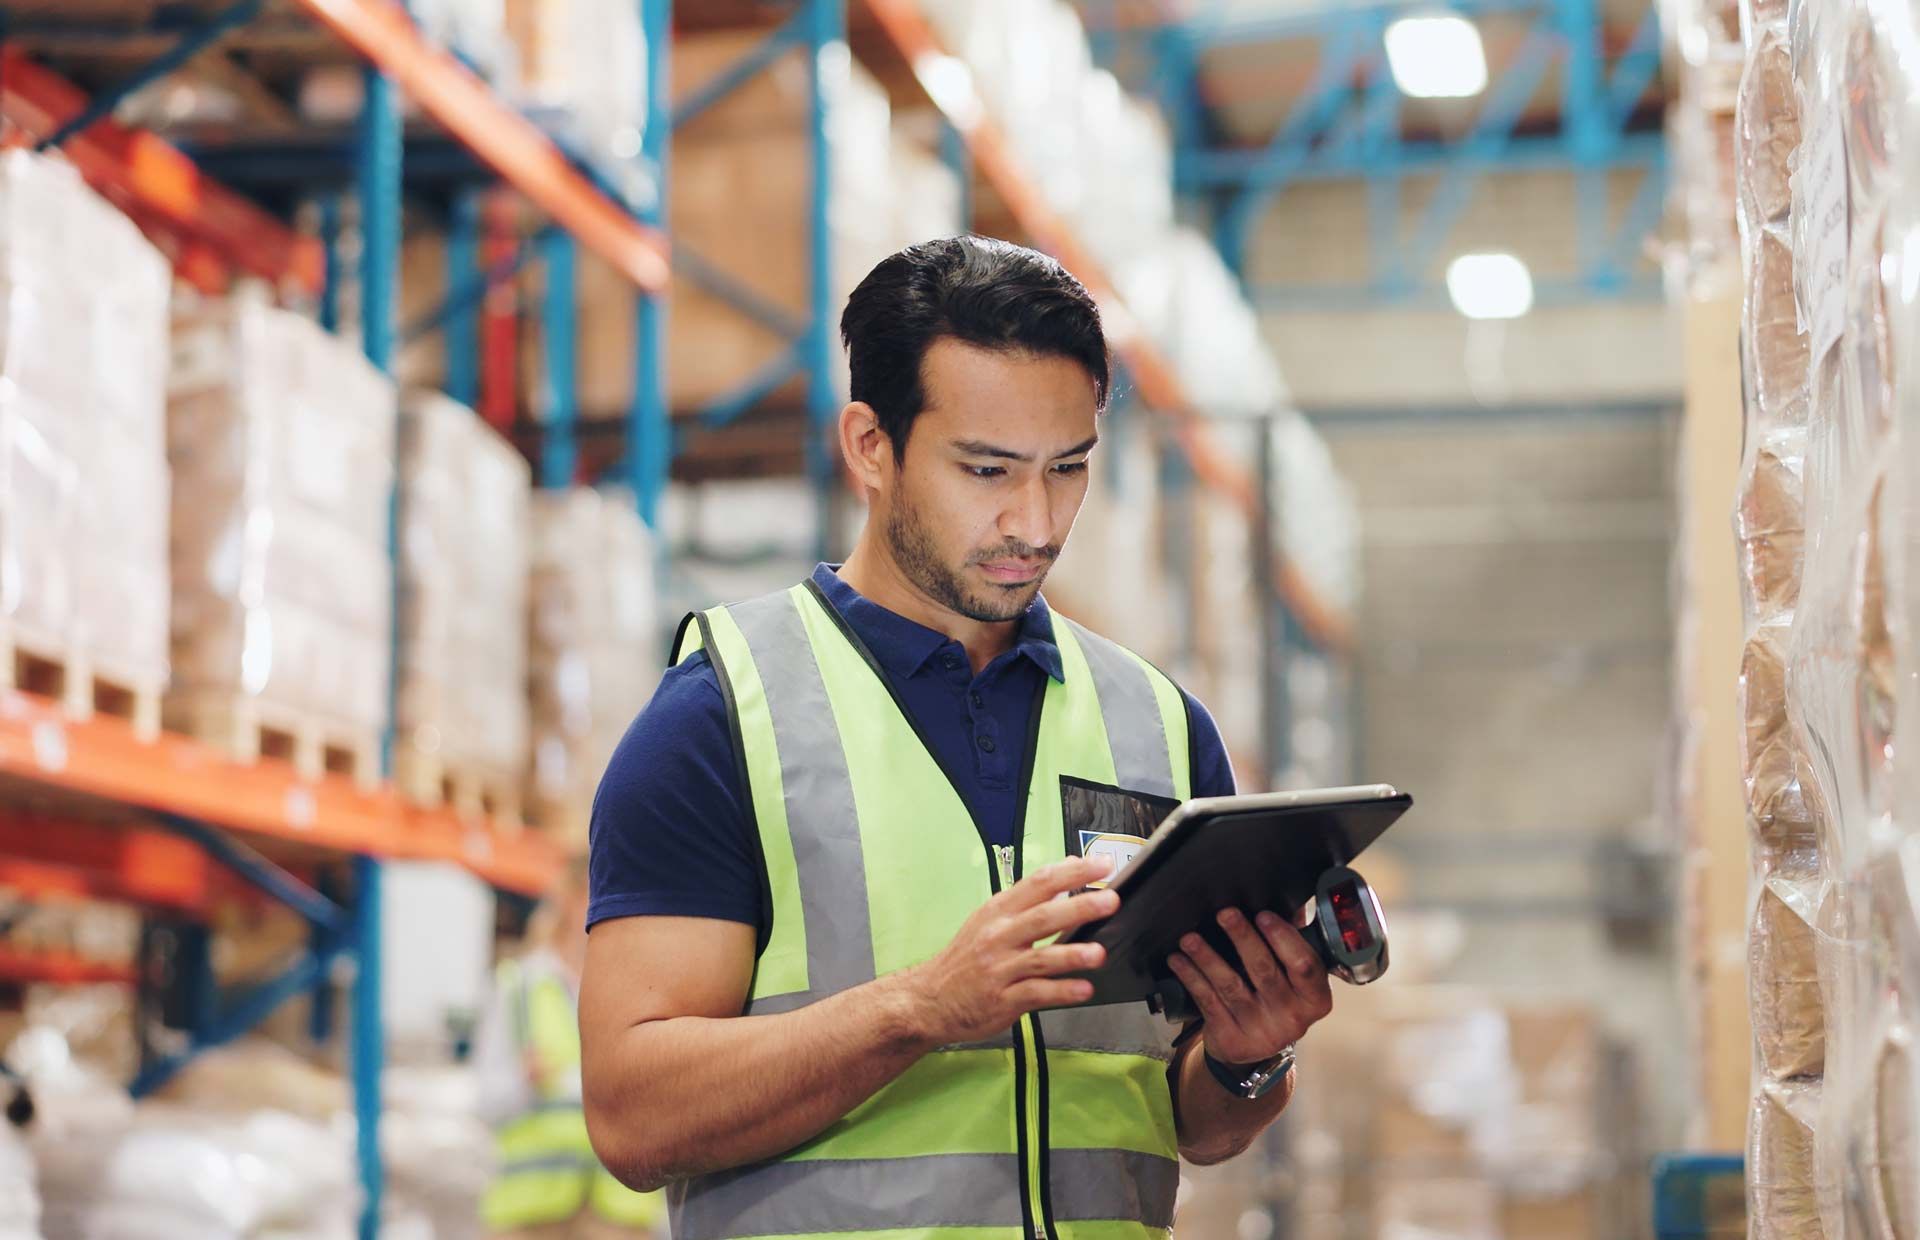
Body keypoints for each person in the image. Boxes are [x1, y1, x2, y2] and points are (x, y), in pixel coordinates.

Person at [579, 236, 1336, 1239]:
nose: (1034, 521)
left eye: (1068, 470)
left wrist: (1251, 1056)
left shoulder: (1157, 726)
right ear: (869, 446)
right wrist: (922, 1008)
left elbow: (1191, 1123)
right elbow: (631, 1114)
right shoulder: (722, 717)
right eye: (987, 470)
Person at [474, 857, 665, 1240]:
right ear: (572, 899)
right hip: (531, 1217)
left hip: (618, 1215)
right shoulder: (520, 986)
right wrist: (524, 1081)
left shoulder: (640, 987)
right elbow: (485, 1103)